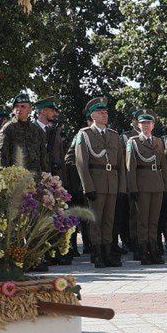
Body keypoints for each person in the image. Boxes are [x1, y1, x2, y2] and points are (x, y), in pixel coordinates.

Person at [72, 98, 123, 266]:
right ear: (92, 115)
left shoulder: (114, 135)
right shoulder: (85, 134)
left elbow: (120, 164)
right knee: (96, 220)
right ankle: (97, 253)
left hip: (112, 183)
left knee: (109, 220)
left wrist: (122, 187)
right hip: (96, 183)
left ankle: (107, 251)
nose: (104, 115)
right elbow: (81, 163)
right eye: (100, 112)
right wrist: (88, 187)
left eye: (106, 112)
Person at [123, 114, 167, 265]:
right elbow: (130, 168)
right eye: (143, 123)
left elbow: (163, 166)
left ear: (153, 125)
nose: (146, 126)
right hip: (142, 185)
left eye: (149, 123)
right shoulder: (133, 142)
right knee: (143, 220)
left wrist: (165, 186)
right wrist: (132, 188)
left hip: (157, 184)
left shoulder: (158, 141)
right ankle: (143, 250)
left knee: (154, 220)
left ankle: (153, 249)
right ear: (138, 126)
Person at [0, 96, 47, 174]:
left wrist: (46, 176)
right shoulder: (7, 129)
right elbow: (2, 157)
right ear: (13, 110)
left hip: (36, 179)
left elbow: (43, 156)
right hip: (17, 179)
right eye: (16, 106)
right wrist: (5, 178)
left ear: (30, 109)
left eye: (23, 106)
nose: (19, 109)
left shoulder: (37, 130)